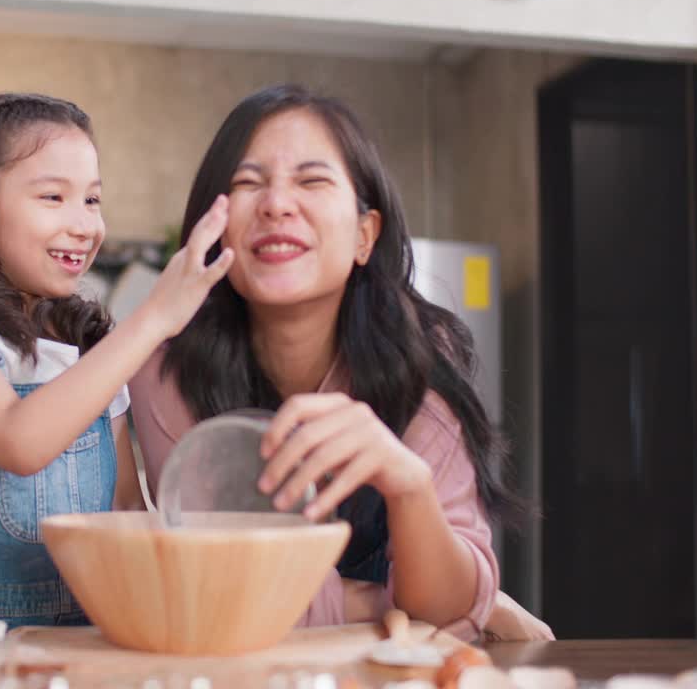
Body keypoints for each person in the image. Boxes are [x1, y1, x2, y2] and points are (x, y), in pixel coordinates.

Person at [129, 84, 546, 639]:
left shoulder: (421, 354)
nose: (277, 204)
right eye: (248, 183)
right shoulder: (165, 371)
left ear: (364, 235)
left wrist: (407, 484)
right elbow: (222, 591)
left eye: (312, 180)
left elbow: (446, 608)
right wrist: (396, 603)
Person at [0, 92, 233, 627]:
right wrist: (153, 319)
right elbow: (18, 442)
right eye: (52, 197)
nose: (84, 225)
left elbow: (124, 512)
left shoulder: (89, 347)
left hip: (83, 637)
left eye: (92, 200)